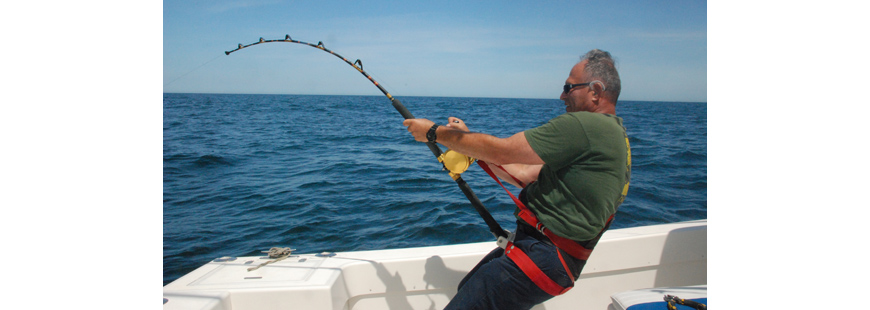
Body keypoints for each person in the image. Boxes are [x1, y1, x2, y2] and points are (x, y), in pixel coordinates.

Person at [403, 49, 631, 310]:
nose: (562, 95)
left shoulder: (585, 126)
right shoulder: (613, 134)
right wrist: (471, 147)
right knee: (467, 288)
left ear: (595, 90)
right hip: (553, 257)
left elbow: (502, 150)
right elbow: (523, 174)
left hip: (546, 254)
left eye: (568, 87)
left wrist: (433, 132)